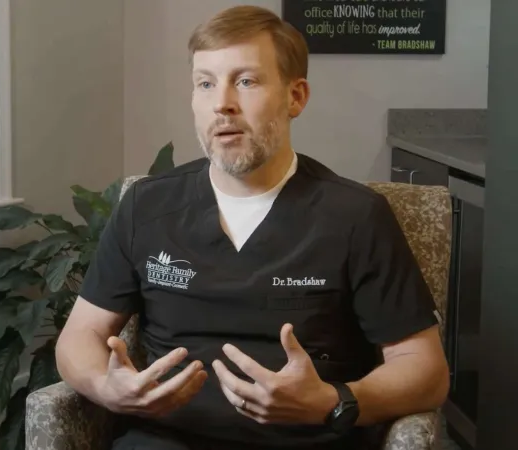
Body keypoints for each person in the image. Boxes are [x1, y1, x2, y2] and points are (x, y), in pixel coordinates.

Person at [55, 5, 449, 450]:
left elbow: (425, 369)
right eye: (205, 83)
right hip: (167, 439)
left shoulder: (356, 216)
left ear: (295, 97)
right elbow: (80, 335)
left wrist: (334, 399)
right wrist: (107, 388)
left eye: (246, 81)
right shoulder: (146, 206)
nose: (222, 102)